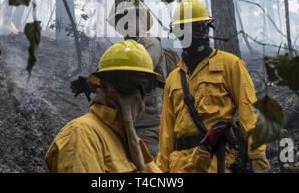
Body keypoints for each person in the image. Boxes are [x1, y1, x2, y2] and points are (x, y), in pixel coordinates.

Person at [45, 40, 210, 173]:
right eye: (126, 83)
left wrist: (202, 157)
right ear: (103, 86)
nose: (135, 95)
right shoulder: (81, 136)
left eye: (143, 86)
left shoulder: (132, 141)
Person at [156, 0, 270, 173]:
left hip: (218, 161)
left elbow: (249, 110)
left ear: (205, 29)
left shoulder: (230, 65)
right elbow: (166, 133)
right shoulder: (173, 78)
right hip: (180, 165)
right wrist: (161, 171)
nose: (188, 36)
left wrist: (257, 156)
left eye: (196, 29)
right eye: (182, 31)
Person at [105, 0, 179, 157]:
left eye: (131, 16)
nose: (127, 22)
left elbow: (137, 70)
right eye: (121, 19)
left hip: (149, 127)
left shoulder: (149, 42)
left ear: (140, 20)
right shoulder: (124, 49)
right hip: (127, 125)